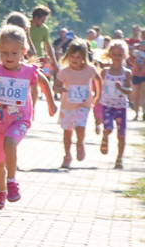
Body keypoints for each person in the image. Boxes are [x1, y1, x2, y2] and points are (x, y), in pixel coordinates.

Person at [0, 25, 38, 210]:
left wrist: (50, 103)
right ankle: (1, 191)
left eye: (14, 52)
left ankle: (12, 182)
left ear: (23, 52)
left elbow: (42, 82)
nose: (9, 57)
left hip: (20, 120)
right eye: (4, 53)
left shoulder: (28, 71)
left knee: (10, 143)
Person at [53, 39, 102, 169]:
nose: (75, 59)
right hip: (67, 107)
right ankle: (67, 155)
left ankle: (80, 143)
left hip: (83, 105)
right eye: (72, 56)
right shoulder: (64, 72)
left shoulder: (89, 70)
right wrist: (59, 89)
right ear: (68, 55)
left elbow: (98, 80)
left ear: (84, 58)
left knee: (80, 126)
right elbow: (55, 86)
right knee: (67, 132)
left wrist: (98, 95)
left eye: (78, 57)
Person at [97, 39, 132, 169]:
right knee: (108, 128)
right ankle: (105, 137)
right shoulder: (105, 72)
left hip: (121, 106)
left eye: (120, 55)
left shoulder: (126, 73)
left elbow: (129, 90)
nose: (117, 58)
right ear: (110, 55)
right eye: (115, 54)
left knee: (121, 134)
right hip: (107, 105)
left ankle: (119, 159)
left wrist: (122, 89)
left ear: (125, 56)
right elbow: (98, 87)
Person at [28, 5, 59, 73]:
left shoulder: (44, 29)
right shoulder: (26, 27)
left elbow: (48, 47)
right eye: (42, 20)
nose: (43, 22)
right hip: (26, 58)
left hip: (39, 59)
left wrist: (55, 63)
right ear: (36, 18)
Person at [128, 41, 145, 121]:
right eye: (142, 46)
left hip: (144, 76)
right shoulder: (136, 54)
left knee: (143, 94)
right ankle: (136, 114)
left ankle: (144, 113)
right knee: (136, 96)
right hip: (135, 75)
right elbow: (129, 61)